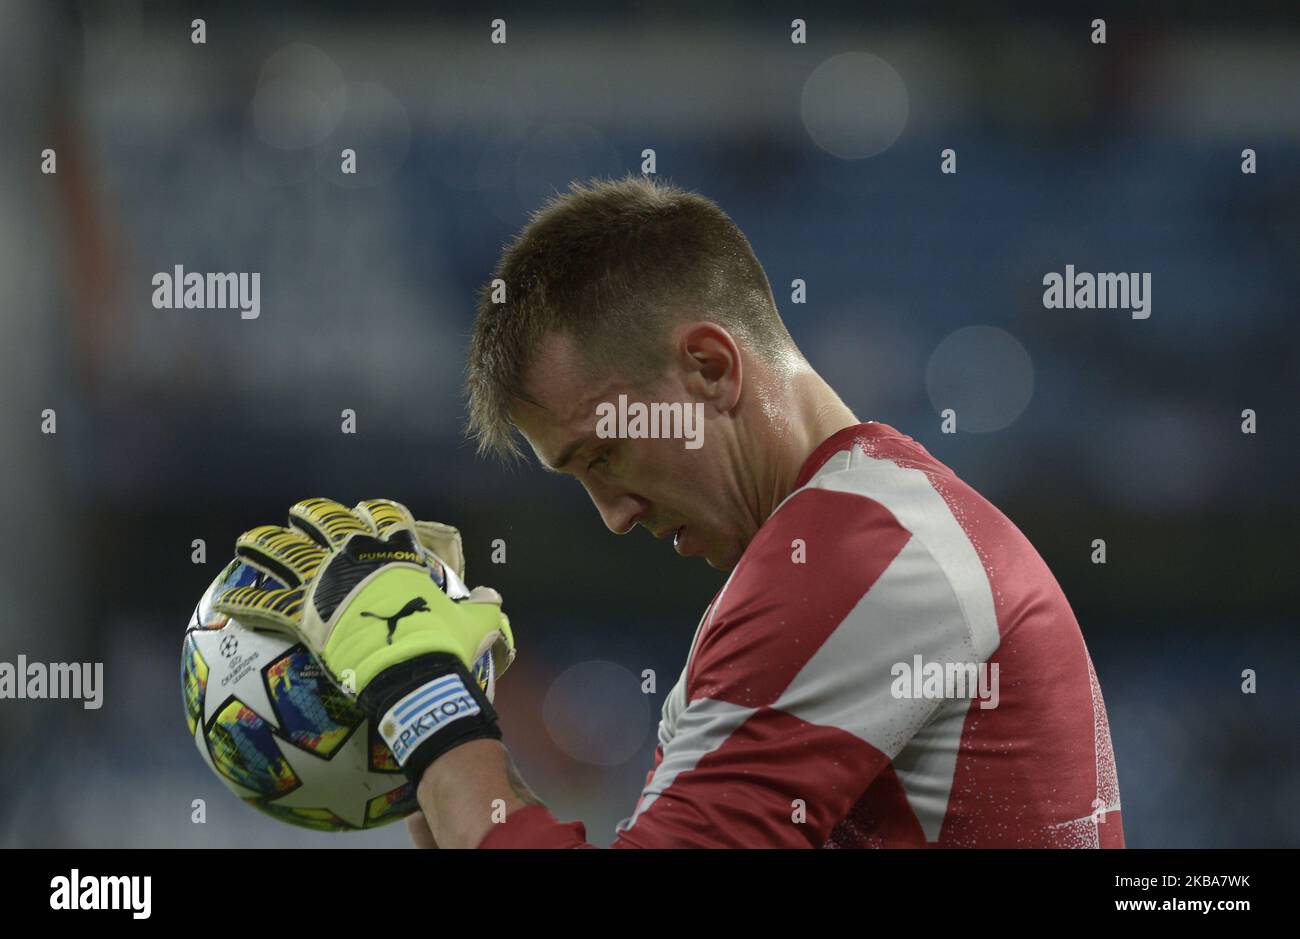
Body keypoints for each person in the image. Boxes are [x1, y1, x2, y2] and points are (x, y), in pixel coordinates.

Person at [223, 176, 1122, 848]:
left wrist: (422, 699)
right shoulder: (866, 540)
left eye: (604, 454)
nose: (611, 515)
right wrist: (435, 759)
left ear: (712, 369)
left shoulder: (861, 557)